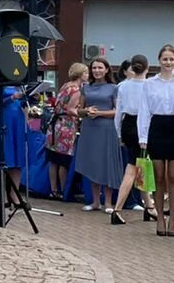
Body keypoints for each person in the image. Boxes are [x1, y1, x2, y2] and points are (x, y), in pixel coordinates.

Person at [138, 45, 174, 237]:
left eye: (171, 59)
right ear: (159, 60)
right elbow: (144, 110)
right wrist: (143, 136)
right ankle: (159, 217)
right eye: (165, 59)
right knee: (159, 177)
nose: (168, 62)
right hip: (157, 127)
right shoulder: (150, 83)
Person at [73, 59, 123, 215]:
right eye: (94, 68)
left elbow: (117, 111)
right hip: (89, 129)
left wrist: (100, 113)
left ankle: (108, 202)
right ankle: (95, 201)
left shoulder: (114, 88)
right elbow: (78, 110)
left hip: (106, 129)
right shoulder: (85, 88)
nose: (97, 70)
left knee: (106, 164)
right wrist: (87, 111)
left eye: (100, 67)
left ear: (107, 69)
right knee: (92, 163)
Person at [111, 55, 155, 222]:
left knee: (140, 166)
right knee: (132, 168)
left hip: (127, 125)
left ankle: (148, 206)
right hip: (144, 125)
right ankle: (118, 209)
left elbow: (118, 113)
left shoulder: (122, 86)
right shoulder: (150, 86)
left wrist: (120, 133)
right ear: (147, 67)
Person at [0, 75, 29, 214]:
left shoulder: (18, 83)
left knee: (17, 162)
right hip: (3, 120)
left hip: (18, 121)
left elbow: (24, 102)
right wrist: (12, 98)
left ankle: (15, 197)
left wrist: (31, 96)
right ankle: (3, 194)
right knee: (1, 160)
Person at [46, 62, 87, 201]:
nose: (88, 75)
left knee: (53, 160)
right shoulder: (76, 90)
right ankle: (64, 190)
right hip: (67, 126)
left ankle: (53, 190)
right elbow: (70, 109)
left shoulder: (65, 86)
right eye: (86, 73)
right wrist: (84, 113)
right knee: (64, 160)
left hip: (55, 125)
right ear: (80, 75)